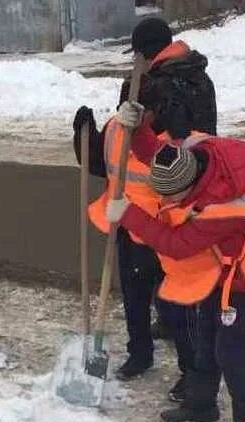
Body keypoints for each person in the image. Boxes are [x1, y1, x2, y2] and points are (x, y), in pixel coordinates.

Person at [106, 100, 245, 422]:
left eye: (170, 197)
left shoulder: (223, 209)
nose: (165, 203)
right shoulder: (192, 156)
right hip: (216, 269)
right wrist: (137, 127)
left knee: (233, 352)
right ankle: (201, 406)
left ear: (189, 189)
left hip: (243, 279)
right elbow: (156, 153)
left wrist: (130, 215)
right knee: (206, 336)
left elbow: (178, 244)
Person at [72, 16, 216, 383]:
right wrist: (85, 135)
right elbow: (104, 160)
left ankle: (192, 375)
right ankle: (143, 354)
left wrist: (156, 127)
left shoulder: (171, 87)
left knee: (174, 300)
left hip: (165, 215)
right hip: (132, 215)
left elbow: (188, 153)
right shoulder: (191, 76)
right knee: (139, 294)